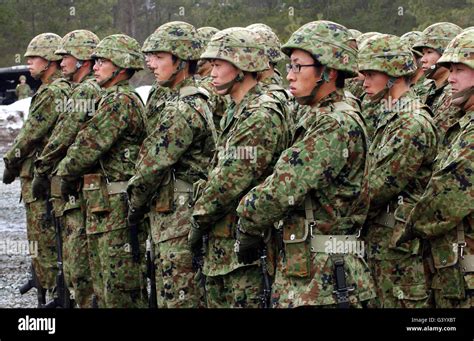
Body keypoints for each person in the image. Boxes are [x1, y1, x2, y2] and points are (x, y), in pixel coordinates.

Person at [235, 21, 374, 308]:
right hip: (313, 273)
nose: (289, 75)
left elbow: (281, 189)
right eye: (289, 66)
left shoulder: (333, 124)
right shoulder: (319, 115)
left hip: (323, 280)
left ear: (328, 71)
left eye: (299, 66)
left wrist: (246, 220)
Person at [188, 27, 289, 308]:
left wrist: (197, 220)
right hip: (222, 246)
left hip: (244, 251)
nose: (212, 72)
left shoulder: (260, 114)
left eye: (219, 64)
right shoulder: (238, 108)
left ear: (243, 66)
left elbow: (230, 181)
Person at [127, 21, 217, 308]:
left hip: (179, 217)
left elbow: (151, 166)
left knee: (179, 295)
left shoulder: (185, 107)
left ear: (180, 62)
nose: (151, 64)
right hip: (174, 214)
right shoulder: (186, 100)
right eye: (149, 56)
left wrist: (134, 204)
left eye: (159, 57)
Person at [56, 34, 148, 308]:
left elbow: (87, 146)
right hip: (104, 205)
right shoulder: (111, 98)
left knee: (118, 288)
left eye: (102, 61)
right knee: (103, 285)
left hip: (116, 207)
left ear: (120, 66)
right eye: (94, 60)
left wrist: (61, 176)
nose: (94, 66)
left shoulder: (121, 101)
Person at [358, 34, 437, 308]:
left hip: (399, 254)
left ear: (393, 75)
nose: (364, 81)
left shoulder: (411, 123)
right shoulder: (390, 114)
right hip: (382, 246)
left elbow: (378, 188)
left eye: (371, 74)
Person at [399, 29, 474, 308]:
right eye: (450, 69)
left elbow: (445, 199)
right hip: (453, 269)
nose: (451, 78)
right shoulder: (462, 120)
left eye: (460, 70)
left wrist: (403, 229)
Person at [32, 29, 101, 308]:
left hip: (78, 187)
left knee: (78, 262)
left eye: (67, 57)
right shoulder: (93, 88)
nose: (61, 64)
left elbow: (63, 135)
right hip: (89, 186)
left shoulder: (86, 89)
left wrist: (43, 171)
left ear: (83, 59)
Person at [3, 33, 71, 304]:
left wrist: (10, 163)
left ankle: (55, 295)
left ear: (51, 60)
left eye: (35, 58)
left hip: (42, 178)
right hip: (48, 176)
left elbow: (29, 135)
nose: (28, 62)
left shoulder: (53, 92)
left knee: (45, 244)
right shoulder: (57, 89)